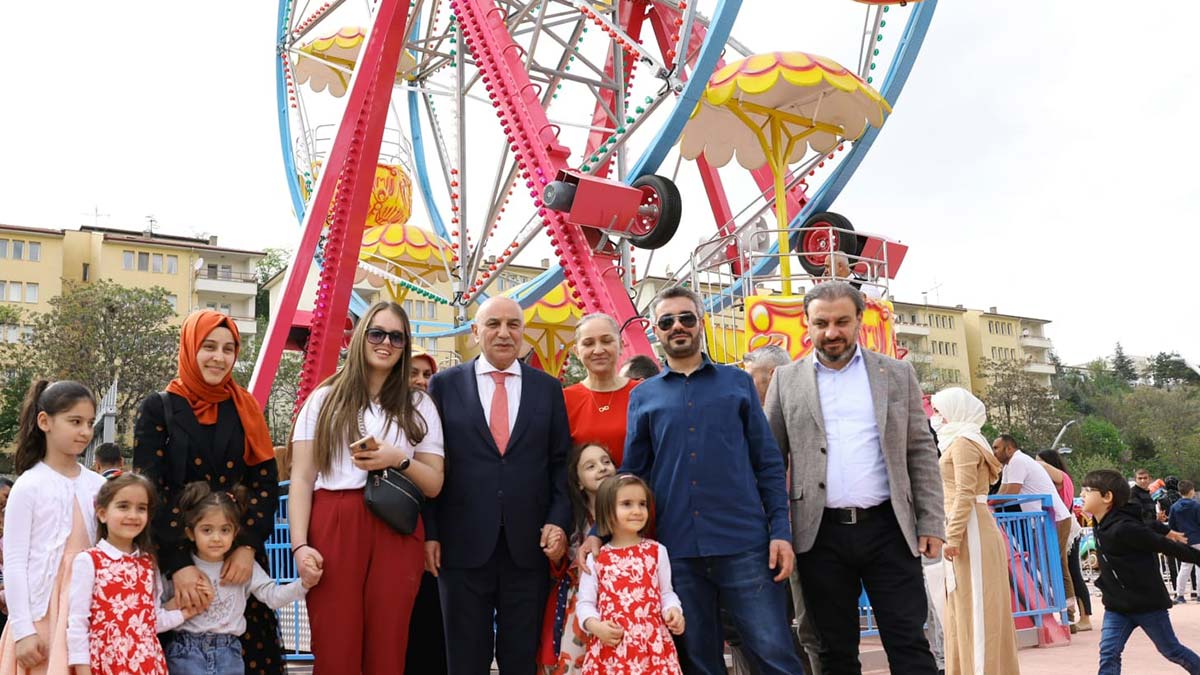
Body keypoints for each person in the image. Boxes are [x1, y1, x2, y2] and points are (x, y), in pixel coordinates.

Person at [584, 286, 803, 675]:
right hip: (679, 550)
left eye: (686, 318)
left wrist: (780, 533)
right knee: (699, 661)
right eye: (667, 321)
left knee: (774, 655)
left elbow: (768, 463)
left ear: (700, 323)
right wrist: (598, 532)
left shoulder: (737, 383)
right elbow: (633, 475)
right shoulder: (644, 395)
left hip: (744, 544)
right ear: (656, 330)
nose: (677, 326)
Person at [764, 281, 944, 674]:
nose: (832, 332)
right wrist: (776, 531)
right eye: (821, 323)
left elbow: (920, 450)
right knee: (834, 652)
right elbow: (770, 461)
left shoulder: (897, 374)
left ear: (859, 319)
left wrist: (931, 521)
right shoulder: (785, 380)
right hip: (818, 536)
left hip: (889, 530)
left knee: (910, 644)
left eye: (842, 322)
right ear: (807, 324)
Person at [288, 301, 445, 673]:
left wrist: (398, 459)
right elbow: (302, 478)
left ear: (405, 346)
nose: (385, 343)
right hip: (335, 520)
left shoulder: (419, 404)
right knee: (335, 644)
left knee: (388, 646)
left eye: (396, 337)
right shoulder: (324, 399)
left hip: (396, 525)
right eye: (377, 333)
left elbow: (435, 483)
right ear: (360, 337)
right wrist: (299, 545)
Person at [425, 296, 571, 675]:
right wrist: (431, 533)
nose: (504, 333)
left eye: (513, 325)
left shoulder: (548, 389)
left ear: (523, 332)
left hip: (529, 547)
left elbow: (561, 464)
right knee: (465, 660)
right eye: (493, 324)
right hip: (460, 547)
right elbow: (431, 460)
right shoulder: (444, 386)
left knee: (520, 660)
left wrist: (558, 520)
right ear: (475, 332)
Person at [133, 310, 283, 675]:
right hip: (178, 559)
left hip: (236, 562)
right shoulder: (159, 408)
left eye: (228, 349)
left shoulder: (246, 408)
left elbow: (265, 483)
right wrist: (178, 564)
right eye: (209, 346)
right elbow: (150, 490)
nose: (219, 357)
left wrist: (247, 547)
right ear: (190, 348)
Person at [0, 380, 106, 673]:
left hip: (89, 609)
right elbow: (15, 562)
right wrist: (23, 630)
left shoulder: (98, 485)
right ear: (45, 421)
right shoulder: (28, 486)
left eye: (89, 423)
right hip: (42, 614)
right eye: (75, 421)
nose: (85, 431)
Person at [165, 482, 320, 674]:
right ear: (190, 533)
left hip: (228, 653)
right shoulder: (181, 572)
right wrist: (179, 604)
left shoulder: (244, 567)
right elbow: (156, 611)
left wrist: (303, 584)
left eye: (224, 530)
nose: (216, 538)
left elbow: (272, 596)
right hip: (185, 652)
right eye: (207, 530)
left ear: (235, 532)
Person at [741, 344, 821, 675]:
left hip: (805, 532)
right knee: (763, 629)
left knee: (812, 626)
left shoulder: (805, 413)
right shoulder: (746, 419)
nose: (746, 385)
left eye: (751, 377)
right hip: (762, 537)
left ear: (773, 376)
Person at [929, 387, 1020, 674]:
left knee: (978, 608)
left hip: (972, 531)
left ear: (955, 410)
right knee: (964, 607)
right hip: (968, 527)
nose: (936, 416)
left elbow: (965, 492)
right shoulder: (961, 441)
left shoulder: (964, 444)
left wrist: (953, 536)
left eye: (939, 410)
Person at [66, 472, 187, 675]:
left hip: (147, 663)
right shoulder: (89, 561)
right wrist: (82, 669)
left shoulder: (148, 563)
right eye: (123, 506)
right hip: (106, 664)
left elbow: (151, 620)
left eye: (141, 508)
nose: (133, 515)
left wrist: (184, 613)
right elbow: (78, 623)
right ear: (102, 513)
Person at [1081, 469, 1200, 674]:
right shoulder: (1100, 524)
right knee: (1109, 652)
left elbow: (1164, 545)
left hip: (1147, 603)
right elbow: (1147, 522)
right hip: (1117, 605)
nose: (1082, 494)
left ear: (1107, 497)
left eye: (1087, 490)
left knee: (1171, 650)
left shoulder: (1124, 528)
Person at [577, 474, 685, 674]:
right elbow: (585, 603)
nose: (637, 511)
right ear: (607, 511)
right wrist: (595, 626)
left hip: (653, 649)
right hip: (612, 650)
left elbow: (666, 593)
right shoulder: (597, 558)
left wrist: (673, 610)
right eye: (627, 504)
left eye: (642, 504)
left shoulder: (657, 551)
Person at [538, 443, 616, 674]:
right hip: (578, 602)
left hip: (620, 601)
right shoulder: (571, 518)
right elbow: (559, 567)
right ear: (579, 482)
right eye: (590, 466)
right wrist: (556, 552)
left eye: (606, 462)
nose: (601, 468)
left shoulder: (630, 510)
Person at [992, 435, 1076, 620]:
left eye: (997, 448)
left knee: (1053, 563)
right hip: (1044, 520)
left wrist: (986, 503)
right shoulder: (1009, 466)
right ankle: (1063, 611)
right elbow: (1003, 491)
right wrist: (991, 502)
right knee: (1047, 563)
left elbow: (1011, 493)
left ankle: (1066, 613)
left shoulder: (1018, 461)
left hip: (1054, 518)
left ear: (1009, 448)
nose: (994, 452)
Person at [405, 346, 448, 675]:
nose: (421, 381)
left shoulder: (436, 420)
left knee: (431, 622)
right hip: (395, 528)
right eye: (413, 373)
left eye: (427, 374)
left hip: (430, 532)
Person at [562, 314, 639, 466]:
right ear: (576, 351)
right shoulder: (564, 400)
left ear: (621, 345)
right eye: (588, 343)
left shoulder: (642, 393)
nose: (598, 350)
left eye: (606, 341)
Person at [1038, 448, 1092, 631]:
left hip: (1067, 530)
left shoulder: (1062, 479)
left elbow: (1048, 470)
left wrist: (1033, 464)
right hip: (1061, 528)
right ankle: (1072, 614)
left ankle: (1083, 617)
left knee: (1072, 573)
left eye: (1041, 462)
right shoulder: (1052, 482)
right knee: (1067, 572)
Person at [1170, 480, 1200, 604]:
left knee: (1184, 567)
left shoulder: (1174, 507)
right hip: (1197, 538)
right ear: (1192, 490)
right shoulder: (1197, 506)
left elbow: (1171, 525)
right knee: (1199, 568)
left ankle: (1180, 595)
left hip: (1182, 539)